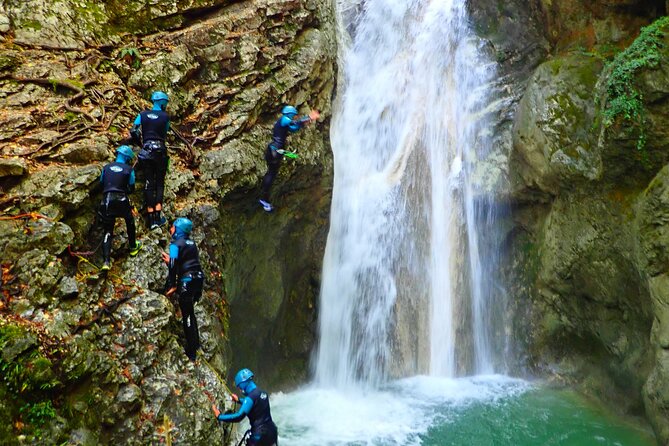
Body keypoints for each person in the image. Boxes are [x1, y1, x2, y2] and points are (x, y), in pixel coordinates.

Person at [259, 105, 320, 212]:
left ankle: (264, 198)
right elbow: (295, 123)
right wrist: (309, 117)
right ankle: (263, 199)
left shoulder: (283, 121)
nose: (294, 117)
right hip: (275, 150)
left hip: (275, 149)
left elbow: (294, 128)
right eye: (293, 115)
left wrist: (305, 122)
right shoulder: (284, 119)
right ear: (290, 113)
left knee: (272, 173)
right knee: (271, 173)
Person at [162, 217, 204, 361]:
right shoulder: (192, 244)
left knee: (187, 314)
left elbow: (173, 265)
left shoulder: (175, 244)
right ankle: (196, 345)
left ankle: (192, 352)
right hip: (198, 279)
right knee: (191, 313)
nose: (171, 229)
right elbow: (188, 262)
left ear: (178, 229)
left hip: (186, 281)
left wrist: (172, 284)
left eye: (173, 227)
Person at [99, 145, 143, 271]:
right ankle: (133, 246)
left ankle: (106, 262)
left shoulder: (106, 168)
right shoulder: (129, 169)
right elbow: (132, 187)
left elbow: (101, 183)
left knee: (108, 230)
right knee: (129, 221)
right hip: (121, 199)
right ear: (128, 158)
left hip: (107, 199)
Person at [131, 91, 170, 229]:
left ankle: (151, 219)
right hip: (160, 151)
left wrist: (140, 143)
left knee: (149, 182)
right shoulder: (165, 116)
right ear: (162, 102)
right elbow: (165, 132)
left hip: (146, 151)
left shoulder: (142, 115)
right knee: (159, 183)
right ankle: (158, 216)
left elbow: (134, 130)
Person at [212, 368, 278, 446]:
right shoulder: (263, 393)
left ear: (243, 384)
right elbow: (255, 404)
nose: (240, 390)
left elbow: (239, 416)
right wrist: (239, 400)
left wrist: (219, 416)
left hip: (259, 435)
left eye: (239, 387)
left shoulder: (250, 398)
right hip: (272, 431)